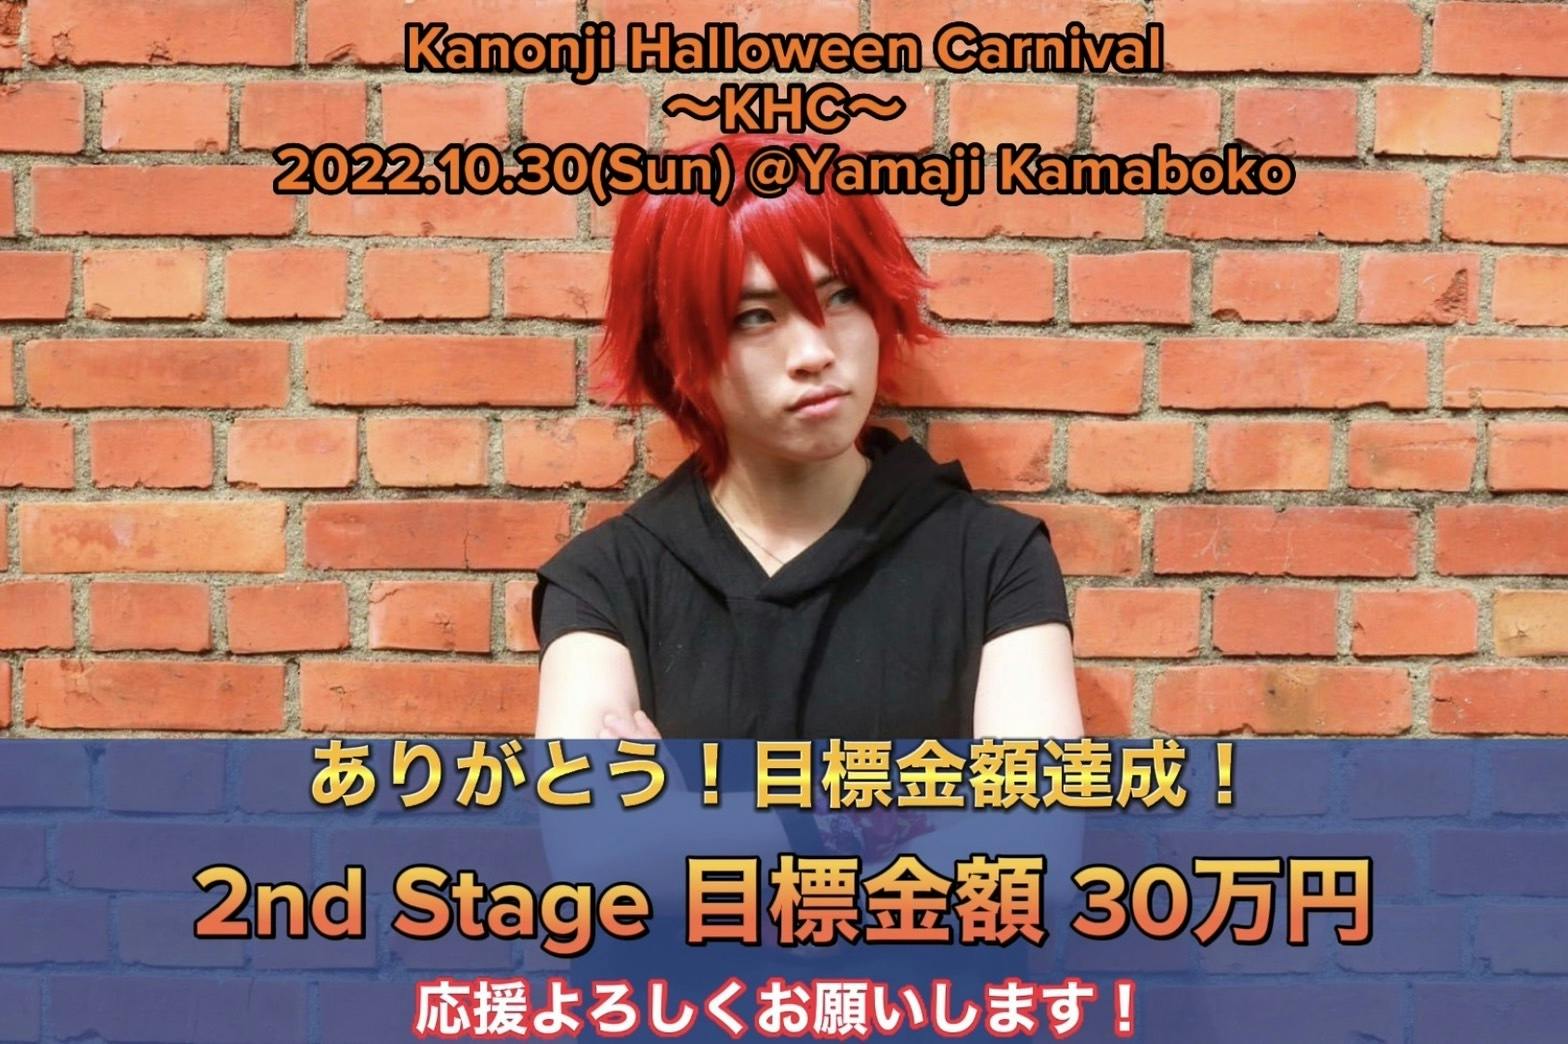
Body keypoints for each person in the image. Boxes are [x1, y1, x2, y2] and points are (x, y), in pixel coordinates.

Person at [529, 132, 1081, 742]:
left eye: (841, 297)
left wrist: (681, 800)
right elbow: (585, 806)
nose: (815, 353)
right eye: (754, 317)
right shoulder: (604, 581)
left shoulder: (996, 560)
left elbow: (1036, 806)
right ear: (674, 351)